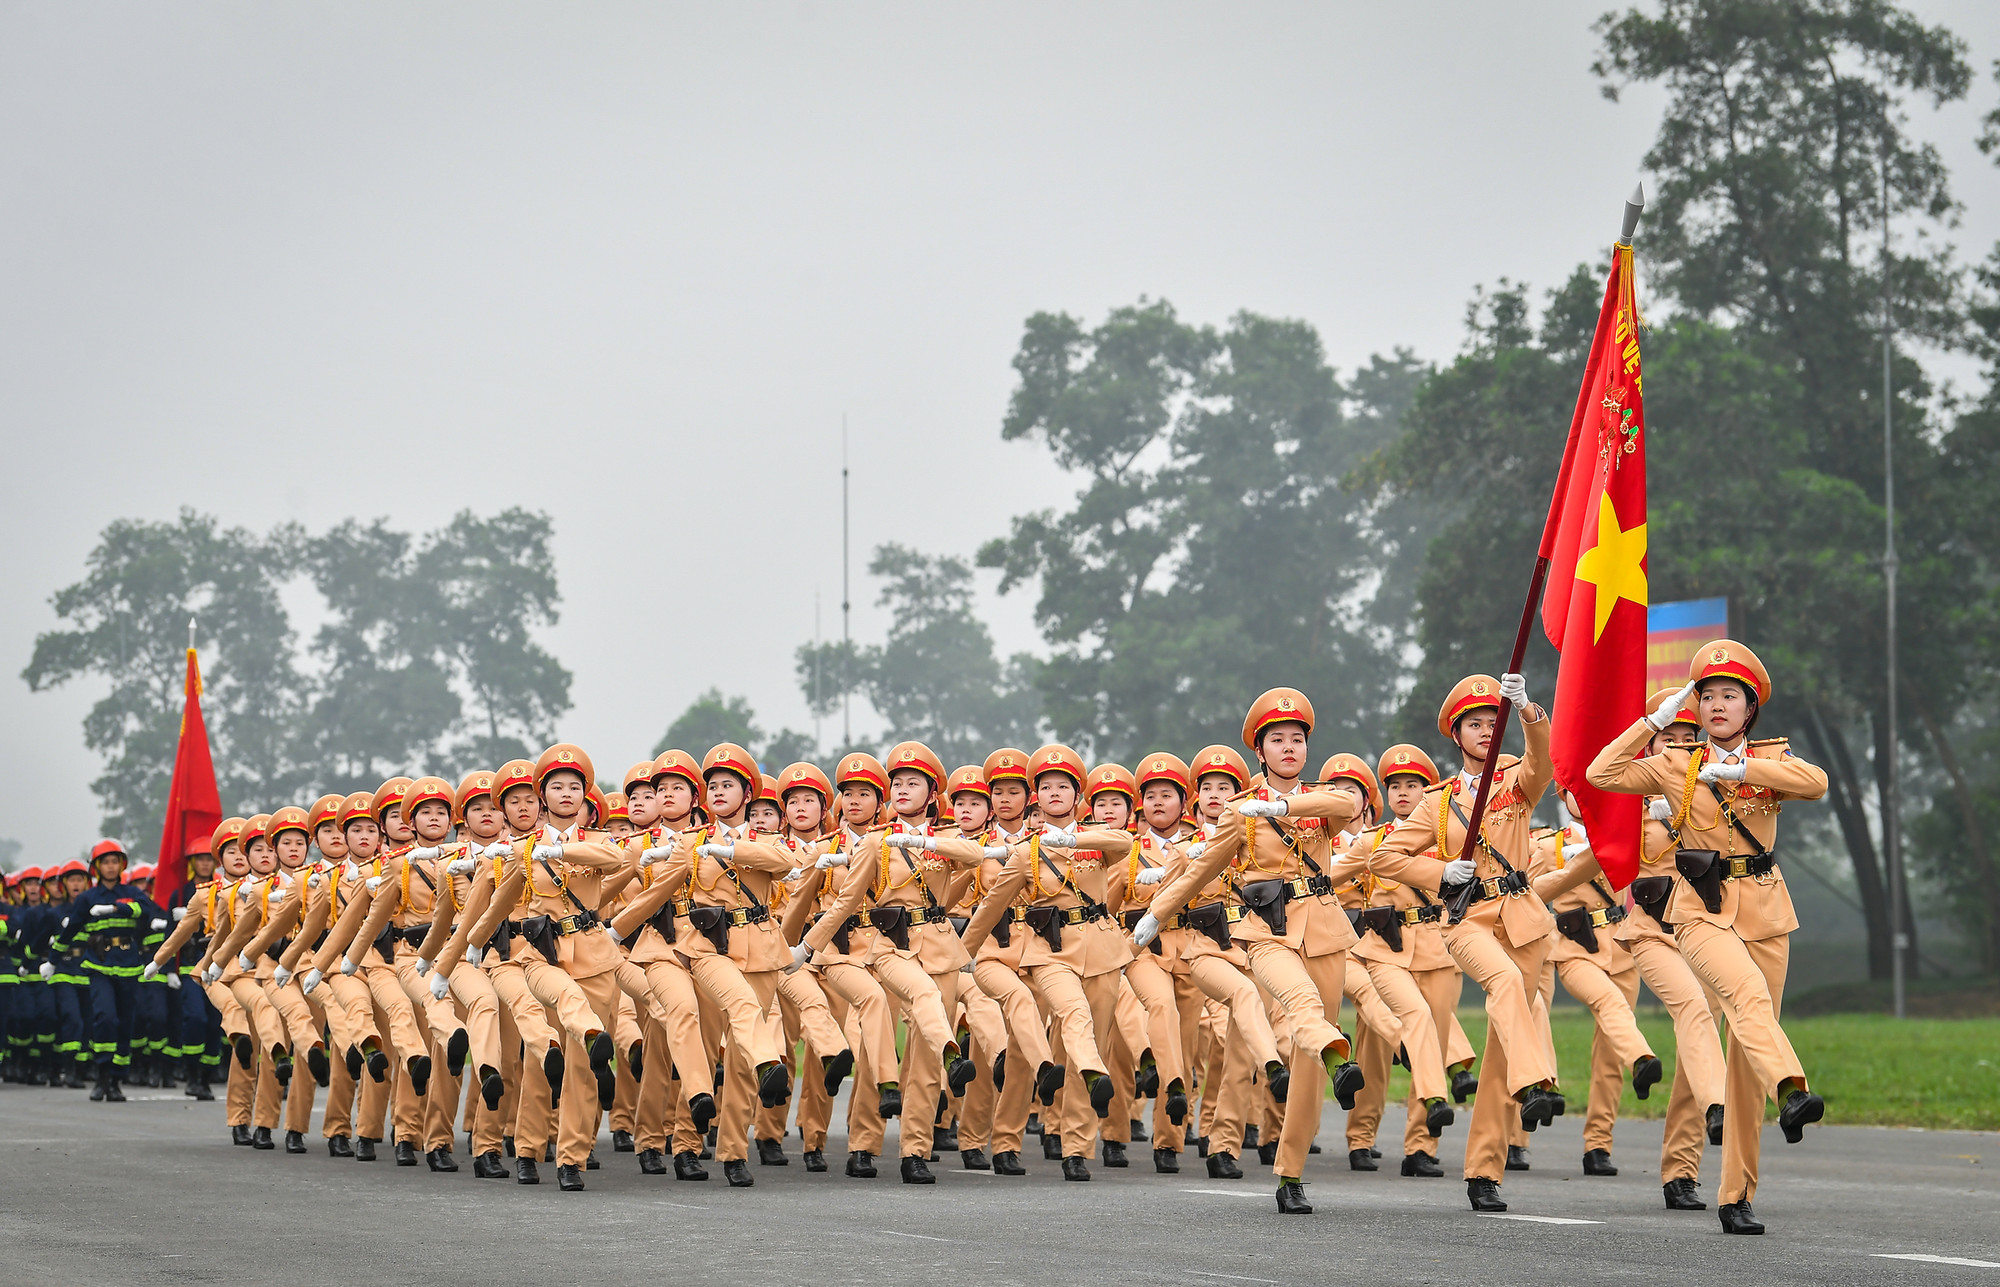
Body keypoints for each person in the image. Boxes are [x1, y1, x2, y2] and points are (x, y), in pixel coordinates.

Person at [1587, 640, 1829, 1235]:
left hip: (1768, 911)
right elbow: (1602, 773)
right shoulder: (1676, 761)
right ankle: (1793, 1090)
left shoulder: (1773, 757)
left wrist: (1743, 769)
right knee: (1745, 1000)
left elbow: (1816, 782)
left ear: (1750, 710)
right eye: (1708, 695)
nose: (1717, 705)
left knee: (1747, 1057)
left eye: (1730, 696)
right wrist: (1655, 720)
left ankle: (1735, 1193)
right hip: (1701, 911)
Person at [1134, 692, 1366, 1215]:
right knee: (1300, 1003)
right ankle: (1336, 1051)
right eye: (1277, 740)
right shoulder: (1239, 811)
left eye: (1297, 740)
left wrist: (1283, 806)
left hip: (1324, 931)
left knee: (1306, 1067)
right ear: (1259, 750)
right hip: (1266, 932)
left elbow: (1346, 806)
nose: (1289, 748)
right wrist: (1155, 914)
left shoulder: (1318, 798)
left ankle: (1290, 1173)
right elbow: (1201, 869)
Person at [1364, 673, 1562, 1214]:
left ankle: (1483, 1172)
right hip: (1467, 921)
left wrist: (1529, 716)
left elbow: (1543, 762)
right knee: (1500, 983)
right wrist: (1438, 872)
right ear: (1458, 736)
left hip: (1522, 919)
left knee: (1501, 1049)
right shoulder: (1438, 802)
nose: (1484, 731)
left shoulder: (1518, 783)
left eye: (1492, 723)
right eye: (1474, 724)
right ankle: (1534, 1083)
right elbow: (1384, 857)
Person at [1527, 792, 1664, 1178]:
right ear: (1564, 796)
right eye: (1574, 791)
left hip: (1622, 947)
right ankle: (1641, 1056)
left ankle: (1598, 1145)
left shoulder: (1627, 836)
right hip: (1574, 950)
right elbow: (1527, 898)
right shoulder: (1547, 846)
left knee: (1609, 1055)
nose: (1583, 798)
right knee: (1609, 1006)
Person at [63, 839, 164, 1102]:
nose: (110, 866)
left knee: (125, 1024)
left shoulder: (132, 892)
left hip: (129, 965)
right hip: (100, 965)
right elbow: (72, 928)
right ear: (96, 867)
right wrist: (52, 959)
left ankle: (117, 1078)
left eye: (114, 861)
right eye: (105, 862)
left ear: (122, 865)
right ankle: (102, 1075)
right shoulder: (87, 897)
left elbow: (147, 909)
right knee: (105, 1018)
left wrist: (119, 907)